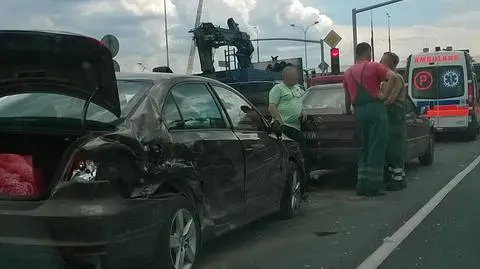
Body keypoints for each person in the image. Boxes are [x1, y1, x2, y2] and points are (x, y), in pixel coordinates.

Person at [343, 42, 400, 197]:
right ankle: (374, 185)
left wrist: (349, 110)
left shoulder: (347, 72)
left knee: (365, 147)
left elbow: (347, 97)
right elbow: (393, 77)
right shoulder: (373, 66)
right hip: (375, 108)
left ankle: (361, 183)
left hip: (359, 111)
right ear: (369, 53)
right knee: (377, 145)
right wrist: (385, 96)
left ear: (356, 54)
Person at [268, 66, 312, 179]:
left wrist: (303, 111)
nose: (296, 78)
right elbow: (272, 106)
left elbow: (299, 102)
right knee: (293, 156)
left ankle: (302, 180)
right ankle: (297, 180)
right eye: (293, 76)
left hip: (296, 127)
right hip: (285, 128)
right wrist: (279, 122)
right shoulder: (278, 89)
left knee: (302, 155)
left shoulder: (297, 88)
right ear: (285, 77)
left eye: (296, 76)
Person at [380, 52, 408, 191]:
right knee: (390, 147)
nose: (380, 62)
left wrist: (378, 107)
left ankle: (397, 180)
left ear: (390, 63)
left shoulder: (396, 78)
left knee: (395, 147)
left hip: (395, 114)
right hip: (392, 114)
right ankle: (398, 177)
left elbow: (391, 99)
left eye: (383, 60)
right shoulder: (388, 79)